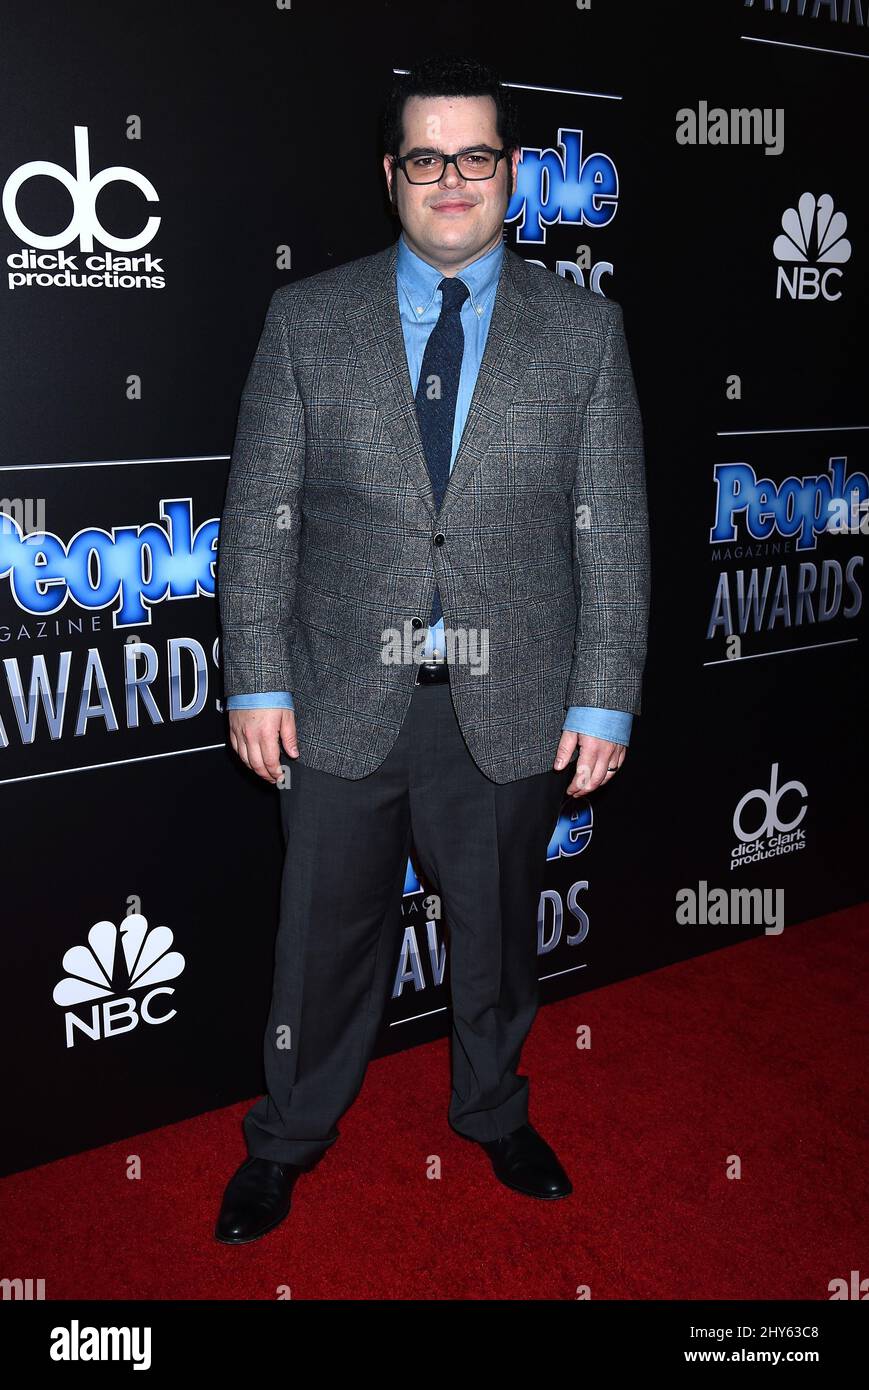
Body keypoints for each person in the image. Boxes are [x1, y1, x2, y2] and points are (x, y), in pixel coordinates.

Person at [214, 55, 650, 1244]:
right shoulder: (308, 318)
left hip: (509, 691)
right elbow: (257, 514)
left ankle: (493, 1108)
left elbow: (611, 527)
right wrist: (254, 673)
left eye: (473, 157)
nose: (449, 180)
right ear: (390, 176)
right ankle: (287, 1137)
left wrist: (603, 699)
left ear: (508, 174)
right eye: (424, 158)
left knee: (500, 933)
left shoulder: (583, 331)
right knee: (318, 941)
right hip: (342, 694)